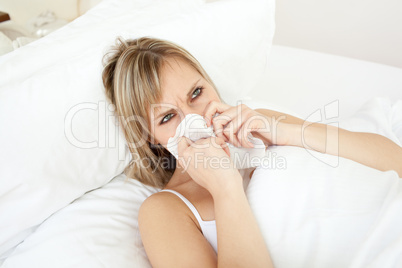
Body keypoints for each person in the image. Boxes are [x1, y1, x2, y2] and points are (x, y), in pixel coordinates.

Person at [102, 37, 402, 267]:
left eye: (197, 93)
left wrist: (285, 131)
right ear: (150, 137)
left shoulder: (260, 122)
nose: (194, 118)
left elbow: (395, 161)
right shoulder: (165, 210)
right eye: (167, 117)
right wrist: (226, 188)